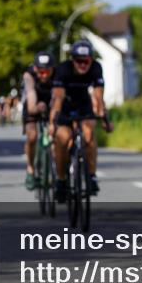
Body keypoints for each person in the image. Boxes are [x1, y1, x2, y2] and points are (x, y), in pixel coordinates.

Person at [49, 40, 109, 200]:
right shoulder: (63, 69)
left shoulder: (96, 68)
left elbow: (98, 95)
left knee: (88, 134)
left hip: (84, 104)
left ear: (91, 60)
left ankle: (91, 175)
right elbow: (58, 97)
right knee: (62, 138)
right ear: (72, 60)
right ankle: (61, 180)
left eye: (86, 61)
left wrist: (103, 116)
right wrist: (52, 121)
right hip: (65, 105)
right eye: (78, 61)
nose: (82, 65)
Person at [22, 51, 55, 190]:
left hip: (51, 102)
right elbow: (30, 102)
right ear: (35, 69)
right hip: (33, 103)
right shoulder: (28, 76)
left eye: (47, 71)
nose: (44, 75)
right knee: (32, 135)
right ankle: (30, 169)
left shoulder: (58, 74)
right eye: (41, 72)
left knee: (57, 134)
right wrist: (36, 107)